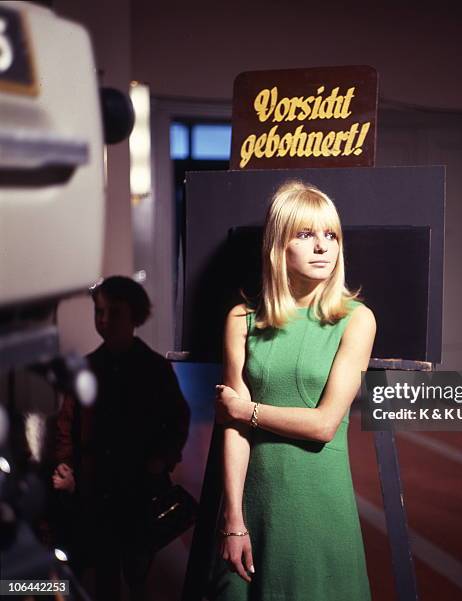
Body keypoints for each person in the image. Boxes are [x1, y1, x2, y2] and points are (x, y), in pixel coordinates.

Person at [209, 180, 376, 601]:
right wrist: (233, 518)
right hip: (255, 501)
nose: (323, 247)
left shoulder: (356, 320)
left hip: (319, 504)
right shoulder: (241, 319)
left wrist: (245, 409)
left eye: (331, 235)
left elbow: (323, 425)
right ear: (278, 246)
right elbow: (233, 430)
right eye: (306, 234)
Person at [52, 276, 191, 601]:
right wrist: (65, 464)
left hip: (139, 487)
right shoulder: (86, 368)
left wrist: (162, 458)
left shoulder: (154, 369)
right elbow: (67, 425)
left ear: (134, 315)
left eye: (114, 312)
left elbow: (177, 419)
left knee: (138, 569)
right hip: (96, 489)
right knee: (104, 575)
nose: (103, 320)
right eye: (99, 312)